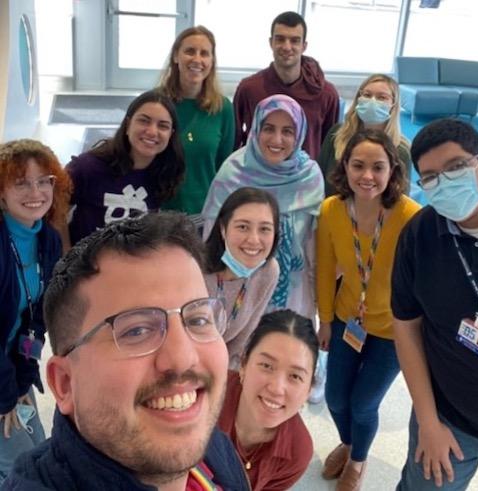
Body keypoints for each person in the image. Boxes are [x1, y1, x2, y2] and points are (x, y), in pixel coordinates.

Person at [2, 212, 250, 490]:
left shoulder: (214, 447)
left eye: (198, 320)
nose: (184, 358)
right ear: (65, 383)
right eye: (136, 331)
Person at [392, 119, 478, 490]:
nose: (445, 183)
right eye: (431, 177)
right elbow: (406, 325)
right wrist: (428, 422)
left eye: (455, 167)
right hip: (447, 416)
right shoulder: (419, 235)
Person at [316, 129, 420, 490]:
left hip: (393, 331)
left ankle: (357, 462)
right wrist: (325, 319)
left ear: (393, 170)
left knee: (363, 404)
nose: (367, 176)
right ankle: (348, 444)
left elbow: (424, 278)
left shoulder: (409, 215)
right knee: (334, 397)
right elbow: (326, 270)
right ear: (344, 167)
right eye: (358, 165)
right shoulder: (331, 210)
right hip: (348, 319)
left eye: (378, 167)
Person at [203, 94, 324, 320]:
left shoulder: (310, 177)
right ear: (256, 128)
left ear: (299, 134)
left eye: (287, 131)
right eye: (269, 128)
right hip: (238, 290)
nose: (277, 139)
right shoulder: (233, 172)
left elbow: (313, 245)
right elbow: (211, 239)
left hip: (294, 294)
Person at [0, 139, 71, 483]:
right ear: (1, 192)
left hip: (10, 364)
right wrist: (6, 395)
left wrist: (25, 373)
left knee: (40, 450)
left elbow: (36, 316)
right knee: (19, 467)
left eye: (44, 180)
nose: (36, 191)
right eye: (21, 182)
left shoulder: (47, 240)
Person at [66, 89, 184, 245]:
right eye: (144, 121)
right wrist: (65, 255)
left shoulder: (165, 173)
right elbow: (56, 212)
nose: (152, 131)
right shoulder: (87, 167)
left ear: (171, 134)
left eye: (163, 126)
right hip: (85, 265)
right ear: (128, 125)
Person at [218, 309, 318, 491]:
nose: (277, 388)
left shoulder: (298, 451)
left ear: (308, 391)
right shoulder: (206, 394)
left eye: (295, 376)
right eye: (266, 365)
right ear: (243, 366)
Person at [233, 11, 340, 160]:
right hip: (257, 179)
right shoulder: (249, 89)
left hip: (305, 180)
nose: (287, 47)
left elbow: (330, 150)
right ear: (271, 42)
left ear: (304, 46)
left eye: (294, 40)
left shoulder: (326, 94)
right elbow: (235, 140)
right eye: (280, 39)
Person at [159, 26, 235, 218]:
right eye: (190, 51)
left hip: (206, 213)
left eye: (204, 53)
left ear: (212, 61)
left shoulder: (223, 108)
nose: (197, 59)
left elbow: (224, 168)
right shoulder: (156, 103)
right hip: (159, 211)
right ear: (176, 56)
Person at [205, 187, 280, 369]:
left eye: (264, 229)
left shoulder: (268, 271)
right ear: (223, 229)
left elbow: (241, 342)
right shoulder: (194, 271)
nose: (254, 239)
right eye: (243, 227)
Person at [317, 73, 411, 197]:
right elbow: (317, 180)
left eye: (381, 97)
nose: (372, 101)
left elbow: (401, 198)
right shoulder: (336, 135)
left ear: (393, 105)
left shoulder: (401, 150)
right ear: (358, 99)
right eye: (367, 95)